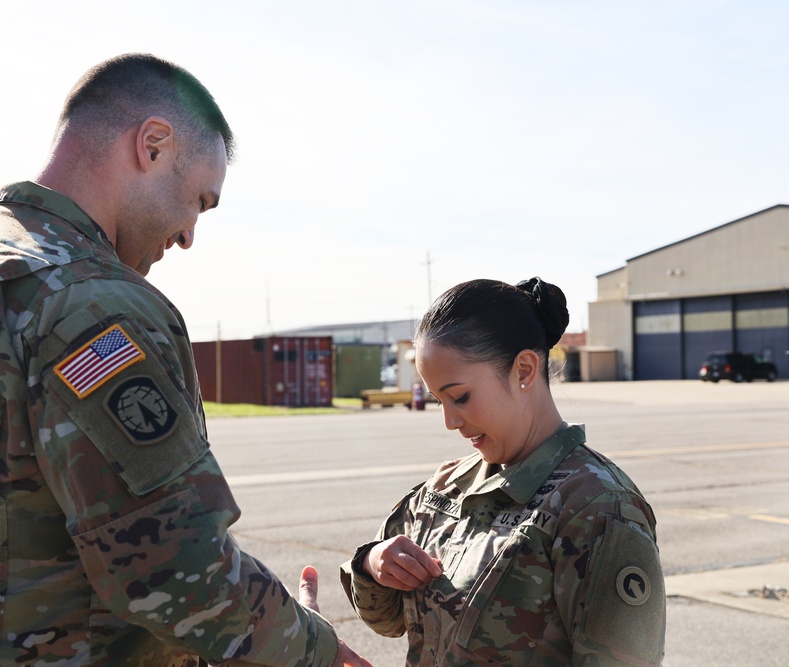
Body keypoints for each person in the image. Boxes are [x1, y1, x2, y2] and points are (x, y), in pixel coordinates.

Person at [0, 54, 370, 666]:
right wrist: (320, 654)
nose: (190, 234)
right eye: (200, 200)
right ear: (152, 144)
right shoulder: (90, 304)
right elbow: (172, 567)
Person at [340, 277, 666, 666]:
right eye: (438, 399)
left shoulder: (598, 508)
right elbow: (388, 620)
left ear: (524, 369)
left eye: (459, 396)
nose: (449, 421)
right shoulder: (446, 487)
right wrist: (373, 564)